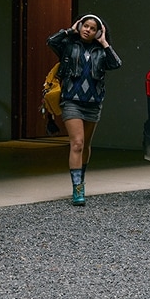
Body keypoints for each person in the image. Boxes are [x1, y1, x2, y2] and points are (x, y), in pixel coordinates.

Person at [46, 14, 122, 206]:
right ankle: (77, 188)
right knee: (77, 144)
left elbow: (116, 64)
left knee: (86, 145)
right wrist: (69, 31)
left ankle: (81, 177)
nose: (88, 30)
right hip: (71, 101)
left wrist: (104, 43)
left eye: (93, 28)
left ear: (98, 32)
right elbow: (51, 41)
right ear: (80, 26)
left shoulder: (101, 51)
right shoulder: (68, 46)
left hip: (93, 103)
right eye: (85, 25)